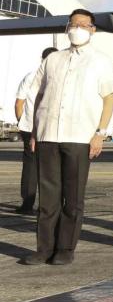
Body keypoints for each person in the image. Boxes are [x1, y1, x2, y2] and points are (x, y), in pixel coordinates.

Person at [20, 10, 113, 266]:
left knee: (72, 197)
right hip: (47, 134)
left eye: (84, 25)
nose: (78, 28)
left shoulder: (101, 61)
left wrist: (100, 133)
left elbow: (109, 98)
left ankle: (65, 248)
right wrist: (33, 131)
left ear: (93, 29)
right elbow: (38, 95)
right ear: (67, 28)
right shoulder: (53, 60)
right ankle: (43, 249)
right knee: (48, 197)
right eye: (74, 24)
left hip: (80, 135)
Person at [13, 47, 58, 215]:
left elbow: (19, 102)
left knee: (30, 166)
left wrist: (21, 121)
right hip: (50, 127)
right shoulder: (58, 78)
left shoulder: (30, 76)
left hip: (28, 126)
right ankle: (47, 205)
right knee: (50, 166)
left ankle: (27, 203)